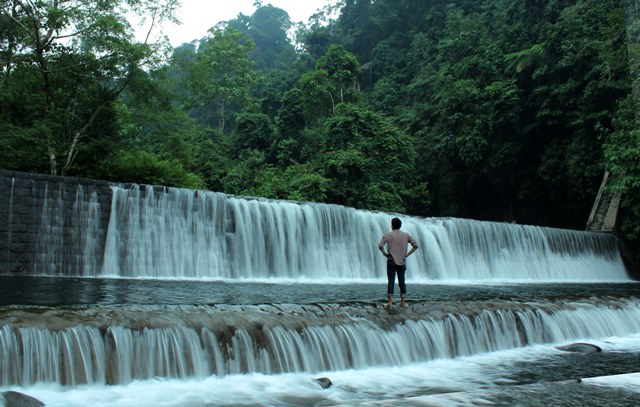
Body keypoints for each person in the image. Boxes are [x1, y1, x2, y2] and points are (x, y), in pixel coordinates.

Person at [378, 217, 418, 308]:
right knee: (402, 281)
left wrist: (385, 253)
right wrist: (407, 255)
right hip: (402, 261)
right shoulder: (406, 235)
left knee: (391, 281)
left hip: (391, 261)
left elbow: (380, 245)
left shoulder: (388, 235)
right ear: (400, 226)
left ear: (392, 225)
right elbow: (415, 245)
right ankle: (402, 302)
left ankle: (390, 303)